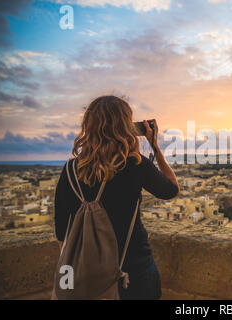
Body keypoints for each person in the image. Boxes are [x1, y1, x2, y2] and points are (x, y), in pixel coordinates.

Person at [54, 95, 179, 300]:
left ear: (89, 126)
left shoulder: (69, 170)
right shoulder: (135, 165)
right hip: (133, 269)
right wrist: (155, 147)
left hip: (84, 271)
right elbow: (171, 190)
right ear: (126, 127)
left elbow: (61, 227)